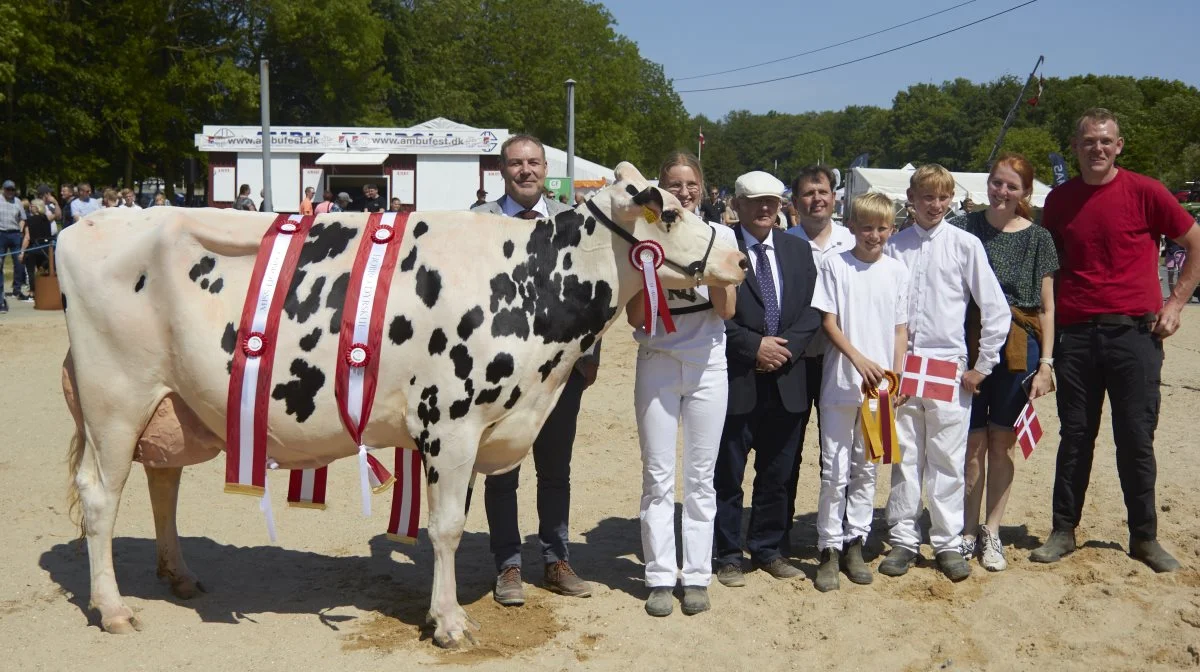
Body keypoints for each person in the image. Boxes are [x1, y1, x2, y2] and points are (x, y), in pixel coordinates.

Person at [1031, 108, 1200, 573]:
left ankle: (1144, 538)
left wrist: (1176, 304)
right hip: (1077, 336)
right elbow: (1048, 268)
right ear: (1076, 145)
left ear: (1119, 145)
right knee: (1075, 438)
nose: (1098, 148)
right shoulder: (1061, 201)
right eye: (1089, 141)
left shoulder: (1146, 191)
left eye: (1106, 141)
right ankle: (1063, 530)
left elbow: (1195, 240)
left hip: (1135, 334)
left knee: (1135, 439)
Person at [471, 134, 596, 605]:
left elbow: (592, 291)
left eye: (534, 163)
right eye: (516, 163)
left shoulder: (572, 221)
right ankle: (508, 566)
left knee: (555, 470)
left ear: (546, 169)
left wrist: (589, 357)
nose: (525, 170)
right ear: (501, 170)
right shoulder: (477, 221)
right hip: (499, 374)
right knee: (502, 468)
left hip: (561, 373)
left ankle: (556, 558)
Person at [880, 164, 1010, 582]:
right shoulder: (894, 246)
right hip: (904, 366)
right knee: (905, 456)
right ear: (911, 198)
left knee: (948, 460)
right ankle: (902, 537)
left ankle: (947, 541)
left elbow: (995, 309)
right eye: (927, 197)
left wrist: (982, 366)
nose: (935, 205)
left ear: (951, 199)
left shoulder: (965, 245)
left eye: (942, 198)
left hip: (947, 366)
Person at [630, 151, 736, 617]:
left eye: (691, 185)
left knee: (700, 477)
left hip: (708, 362)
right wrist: (651, 270)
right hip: (657, 357)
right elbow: (636, 315)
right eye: (675, 185)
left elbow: (727, 309)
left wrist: (706, 263)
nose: (685, 193)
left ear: (704, 187)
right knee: (657, 474)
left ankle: (695, 574)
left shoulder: (723, 235)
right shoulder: (644, 237)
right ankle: (658, 575)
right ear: (661, 189)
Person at [713, 170, 820, 587]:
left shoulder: (798, 250)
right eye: (755, 201)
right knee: (728, 473)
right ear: (736, 205)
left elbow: (814, 309)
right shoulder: (722, 249)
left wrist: (784, 348)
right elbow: (711, 317)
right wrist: (753, 347)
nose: (764, 208)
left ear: (781, 206)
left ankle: (768, 548)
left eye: (772, 202)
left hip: (788, 378)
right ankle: (726, 553)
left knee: (778, 472)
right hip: (737, 377)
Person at [957, 154, 1059, 572]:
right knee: (970, 444)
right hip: (968, 340)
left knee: (1002, 442)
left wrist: (1048, 363)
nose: (1002, 191)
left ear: (1025, 193)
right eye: (997, 183)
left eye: (1011, 186)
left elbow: (1048, 309)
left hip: (1020, 346)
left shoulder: (1039, 239)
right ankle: (965, 531)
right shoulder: (964, 228)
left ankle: (991, 532)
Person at [810, 191, 909, 592]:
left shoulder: (897, 271)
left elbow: (901, 329)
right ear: (852, 227)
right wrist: (857, 358)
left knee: (867, 465)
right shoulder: (836, 265)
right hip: (840, 381)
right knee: (834, 468)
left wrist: (895, 374)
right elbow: (829, 323)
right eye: (866, 227)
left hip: (879, 390)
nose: (874, 235)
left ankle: (856, 541)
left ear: (891, 229)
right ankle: (828, 547)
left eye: (882, 228)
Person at [782, 164, 856, 553]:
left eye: (823, 191)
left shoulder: (851, 239)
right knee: (787, 450)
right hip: (794, 361)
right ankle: (780, 532)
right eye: (808, 193)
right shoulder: (782, 242)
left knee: (839, 453)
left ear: (834, 197)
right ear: (795, 203)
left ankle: (841, 530)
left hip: (839, 361)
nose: (817, 199)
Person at [0, 179, 28, 309]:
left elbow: (23, 218)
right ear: (3, 189)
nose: (10, 192)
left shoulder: (17, 201)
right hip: (1, 234)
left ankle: (17, 289)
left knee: (19, 262)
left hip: (15, 234)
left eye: (12, 189)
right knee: (0, 263)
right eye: (8, 189)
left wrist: (21, 230)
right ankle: (1, 292)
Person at [19, 199, 54, 300]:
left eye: (32, 205)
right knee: (41, 271)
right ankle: (42, 292)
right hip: (46, 248)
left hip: (34, 248)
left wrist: (22, 252)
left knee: (31, 272)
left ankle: (32, 293)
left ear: (37, 207)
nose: (30, 207)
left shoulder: (30, 220)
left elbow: (27, 237)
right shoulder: (46, 219)